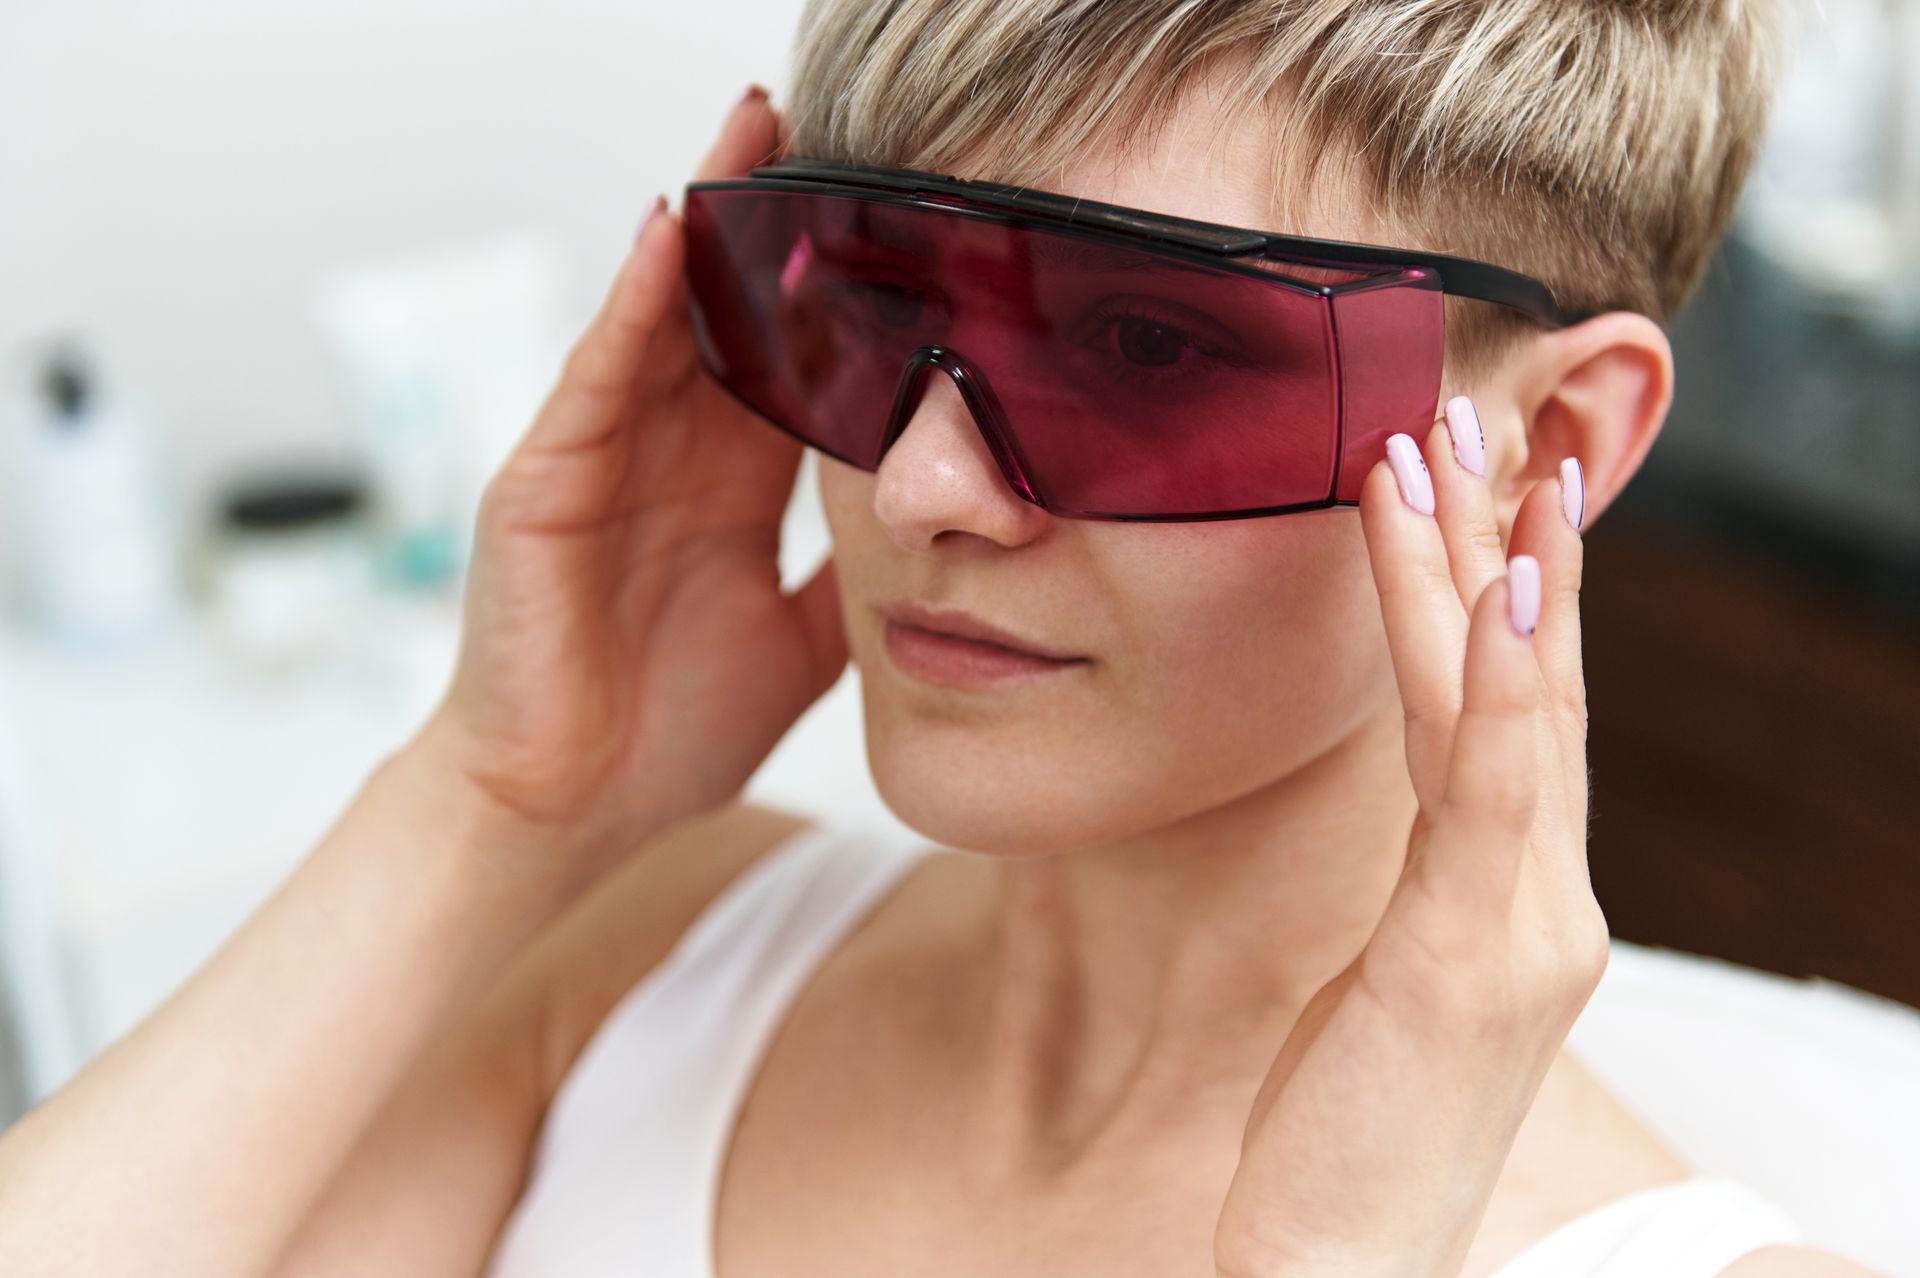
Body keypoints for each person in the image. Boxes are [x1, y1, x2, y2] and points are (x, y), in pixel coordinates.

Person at [0, 1, 1890, 1275]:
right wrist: (492, 802)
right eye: (867, 294)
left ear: (1546, 447)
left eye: (1144, 343)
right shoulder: (644, 956)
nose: (920, 488)